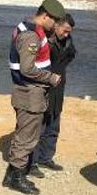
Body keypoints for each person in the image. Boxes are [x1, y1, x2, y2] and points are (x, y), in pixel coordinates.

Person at [2, 0, 65, 195]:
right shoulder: (31, 36)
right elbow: (27, 69)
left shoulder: (31, 29)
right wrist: (51, 77)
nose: (55, 25)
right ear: (45, 16)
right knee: (27, 138)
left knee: (25, 134)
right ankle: (17, 178)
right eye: (54, 21)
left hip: (28, 91)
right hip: (30, 92)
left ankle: (11, 175)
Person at [30, 13, 76, 176]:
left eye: (69, 32)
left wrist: (59, 71)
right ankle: (32, 162)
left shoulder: (68, 41)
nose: (67, 34)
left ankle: (46, 158)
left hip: (59, 88)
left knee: (53, 125)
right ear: (56, 25)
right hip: (43, 87)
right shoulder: (44, 41)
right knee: (38, 127)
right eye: (65, 30)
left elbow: (71, 55)